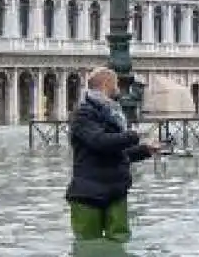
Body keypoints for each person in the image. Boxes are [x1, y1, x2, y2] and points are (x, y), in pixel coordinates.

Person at [65, 66, 161, 241]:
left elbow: (119, 152)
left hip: (116, 190)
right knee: (88, 246)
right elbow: (100, 141)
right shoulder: (82, 115)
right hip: (88, 194)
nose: (119, 88)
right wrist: (135, 135)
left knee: (120, 242)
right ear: (106, 84)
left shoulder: (114, 114)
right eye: (116, 83)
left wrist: (146, 150)